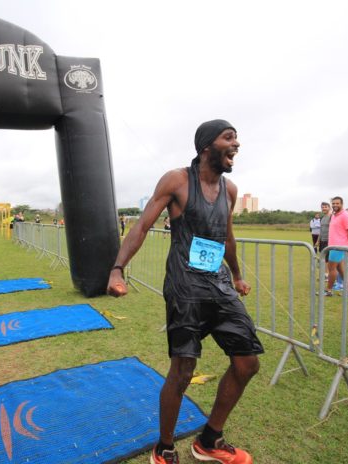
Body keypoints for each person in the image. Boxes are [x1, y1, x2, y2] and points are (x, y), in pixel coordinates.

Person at [107, 120, 262, 464]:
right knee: (184, 370)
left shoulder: (230, 189)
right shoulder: (177, 180)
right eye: (228, 137)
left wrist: (236, 275)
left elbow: (227, 237)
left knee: (247, 362)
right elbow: (143, 224)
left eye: (236, 137)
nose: (236, 144)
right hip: (184, 287)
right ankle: (164, 448)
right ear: (206, 147)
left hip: (219, 285)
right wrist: (118, 269)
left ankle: (209, 440)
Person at [324, 196, 348, 297]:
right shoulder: (334, 215)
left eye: (337, 203)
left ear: (342, 204)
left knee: (331, 269)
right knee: (341, 270)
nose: (335, 205)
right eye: (333, 203)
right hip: (333, 246)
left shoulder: (345, 215)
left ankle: (328, 290)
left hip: (338, 246)